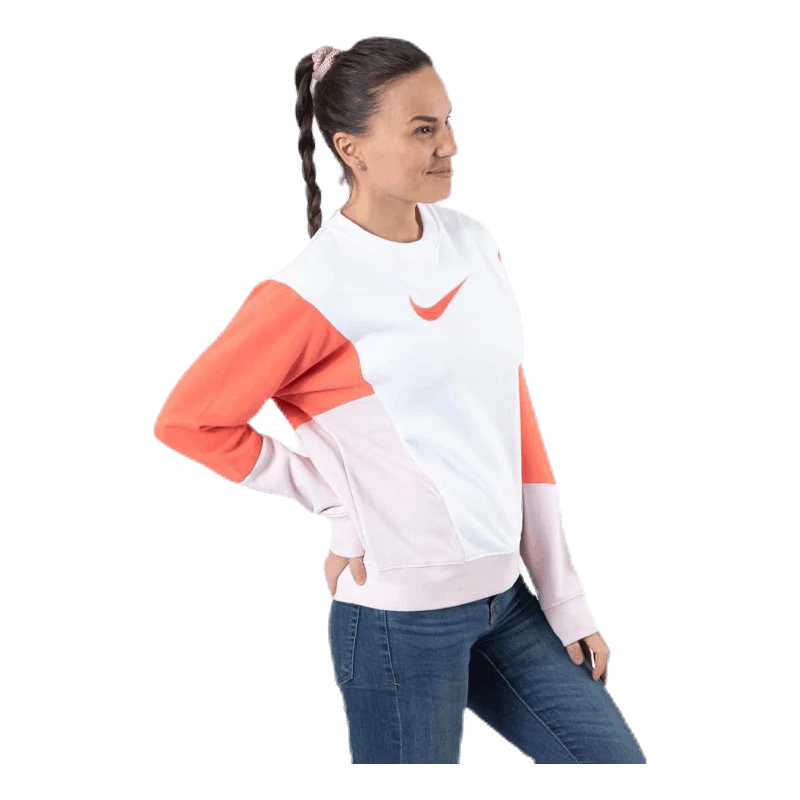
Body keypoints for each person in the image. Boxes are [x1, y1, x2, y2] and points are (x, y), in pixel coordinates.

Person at [152, 35, 647, 765]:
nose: (451, 145)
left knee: (617, 767)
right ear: (350, 148)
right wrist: (339, 508)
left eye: (447, 121)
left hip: (507, 603)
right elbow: (188, 421)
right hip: (397, 624)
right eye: (422, 129)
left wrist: (564, 595)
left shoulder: (475, 244)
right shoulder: (309, 290)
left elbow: (515, 423)